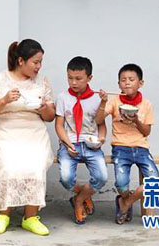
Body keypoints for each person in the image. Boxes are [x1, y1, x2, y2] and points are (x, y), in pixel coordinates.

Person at [0, 39, 56, 235]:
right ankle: (3, 215)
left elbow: (50, 117)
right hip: (8, 130)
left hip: (35, 132)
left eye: (40, 62)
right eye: (35, 62)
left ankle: (30, 218)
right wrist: (4, 100)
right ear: (21, 61)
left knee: (36, 165)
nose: (38, 67)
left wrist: (44, 108)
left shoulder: (42, 81)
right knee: (8, 164)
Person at [95, 63, 159, 224]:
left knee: (155, 184)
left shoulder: (146, 104)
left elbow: (146, 132)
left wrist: (136, 120)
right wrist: (103, 102)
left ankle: (125, 203)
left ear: (140, 83)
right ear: (119, 84)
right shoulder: (114, 101)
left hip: (142, 149)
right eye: (123, 80)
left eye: (131, 79)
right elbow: (98, 120)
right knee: (121, 185)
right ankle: (124, 198)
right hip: (120, 148)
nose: (127, 83)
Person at [54, 56, 108, 224]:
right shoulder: (63, 97)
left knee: (101, 177)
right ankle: (83, 195)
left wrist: (102, 138)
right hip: (69, 143)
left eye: (78, 78)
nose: (74, 82)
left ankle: (78, 200)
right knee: (65, 178)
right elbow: (59, 125)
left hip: (91, 144)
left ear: (89, 78)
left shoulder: (97, 98)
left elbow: (101, 124)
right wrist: (67, 144)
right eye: (70, 78)